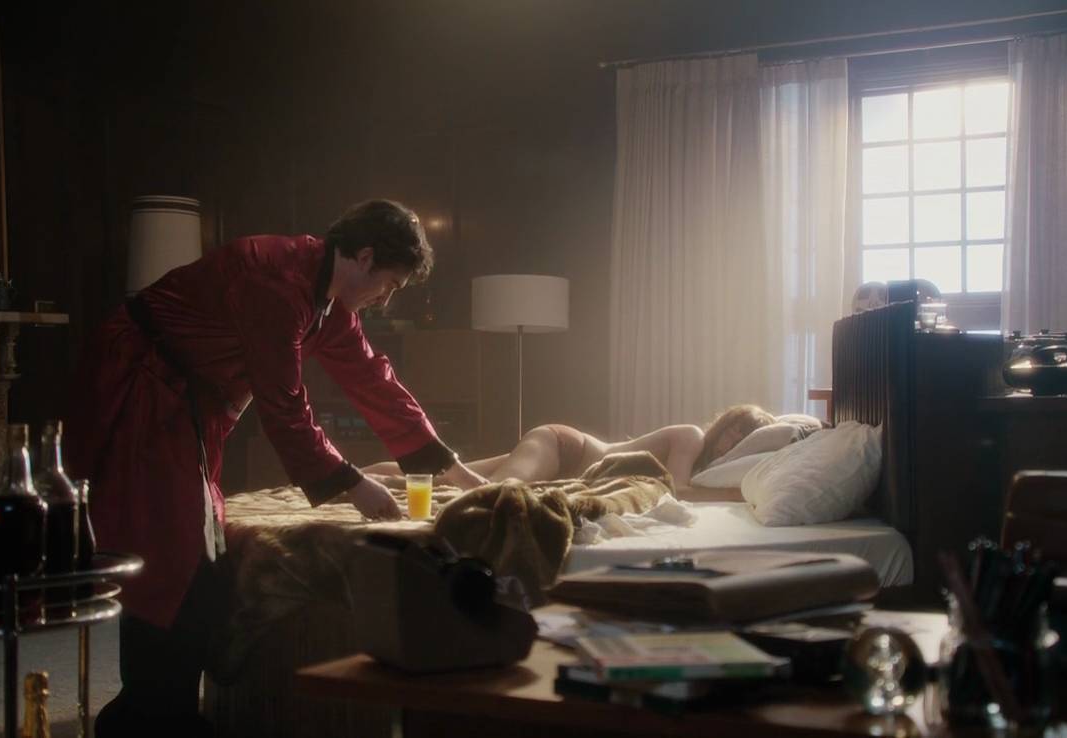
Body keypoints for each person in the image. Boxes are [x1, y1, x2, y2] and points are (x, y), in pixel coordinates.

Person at [65, 199, 486, 735]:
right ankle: (147, 716)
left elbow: (374, 381)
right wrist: (353, 484)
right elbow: (284, 406)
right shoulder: (277, 282)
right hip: (143, 386)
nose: (385, 299)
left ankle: (158, 711)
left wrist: (452, 468)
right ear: (364, 257)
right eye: (390, 285)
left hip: (187, 402)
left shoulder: (330, 301)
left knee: (199, 549)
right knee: (169, 549)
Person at [364, 404, 778, 492]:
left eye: (743, 439)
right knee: (496, 492)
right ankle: (381, 484)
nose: (733, 441)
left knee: (449, 475)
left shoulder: (708, 466)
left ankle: (363, 475)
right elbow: (679, 492)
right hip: (566, 450)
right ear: (724, 424)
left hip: (566, 466)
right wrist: (740, 495)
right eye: (735, 430)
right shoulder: (691, 437)